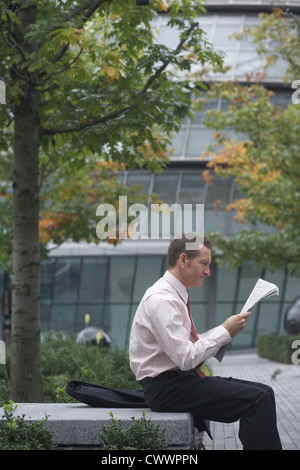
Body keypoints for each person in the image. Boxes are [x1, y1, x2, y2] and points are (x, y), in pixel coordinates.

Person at [129, 234, 282, 450]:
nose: (208, 272)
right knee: (257, 399)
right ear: (183, 260)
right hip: (168, 389)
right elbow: (186, 358)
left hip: (178, 383)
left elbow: (185, 348)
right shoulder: (162, 300)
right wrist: (225, 331)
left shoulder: (173, 295)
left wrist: (224, 333)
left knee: (265, 393)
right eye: (203, 263)